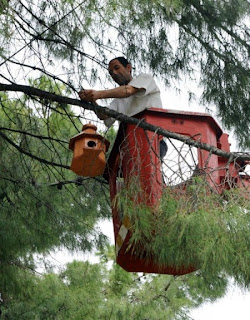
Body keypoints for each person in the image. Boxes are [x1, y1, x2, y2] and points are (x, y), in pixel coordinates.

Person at [78, 57, 167, 158]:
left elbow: (128, 91)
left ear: (128, 67)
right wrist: (92, 100)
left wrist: (99, 94)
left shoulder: (145, 78)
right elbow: (103, 115)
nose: (114, 73)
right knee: (132, 173)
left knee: (149, 170)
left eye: (117, 68)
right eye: (111, 73)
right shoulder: (118, 100)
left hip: (154, 139)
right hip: (130, 146)